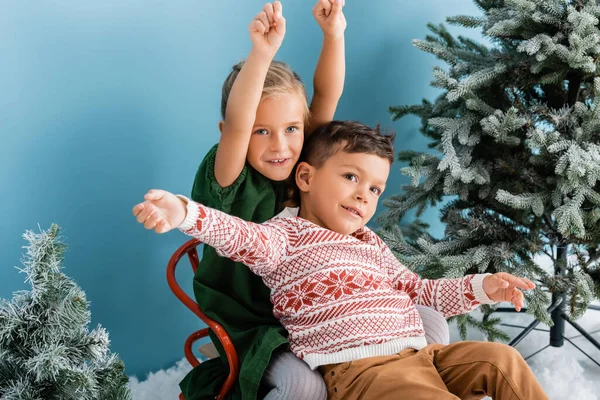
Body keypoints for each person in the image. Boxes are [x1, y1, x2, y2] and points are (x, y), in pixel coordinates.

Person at [134, 120, 549, 400]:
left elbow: (421, 291)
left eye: (374, 189)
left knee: (502, 360)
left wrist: (484, 286)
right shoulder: (284, 237)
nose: (363, 196)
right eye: (351, 177)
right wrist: (183, 212)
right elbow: (234, 233)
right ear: (307, 178)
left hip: (421, 354)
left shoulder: (370, 242)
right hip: (360, 370)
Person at [183, 1, 347, 398]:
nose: (281, 146)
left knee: (366, 360)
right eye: (262, 132)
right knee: (304, 386)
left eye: (291, 128)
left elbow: (325, 96)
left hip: (304, 309)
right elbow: (239, 122)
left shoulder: (302, 160)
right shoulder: (230, 176)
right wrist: (262, 54)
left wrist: (333, 35)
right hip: (251, 319)